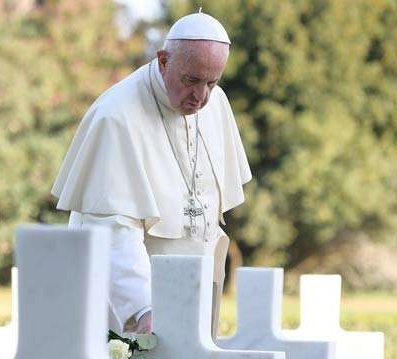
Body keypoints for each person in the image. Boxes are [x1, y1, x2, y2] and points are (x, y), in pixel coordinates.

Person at [51, 11, 251, 338]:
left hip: (193, 294)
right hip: (129, 308)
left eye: (212, 83)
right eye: (191, 80)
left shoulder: (216, 105)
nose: (201, 97)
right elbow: (113, 231)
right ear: (163, 60)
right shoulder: (115, 116)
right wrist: (143, 308)